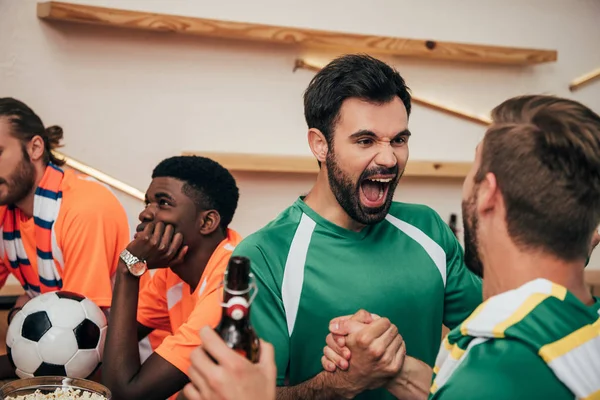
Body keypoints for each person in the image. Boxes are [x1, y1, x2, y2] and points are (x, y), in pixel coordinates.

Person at [229, 53, 483, 399]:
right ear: (320, 145)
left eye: (398, 140)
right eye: (365, 141)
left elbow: (493, 335)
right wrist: (342, 383)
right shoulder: (265, 255)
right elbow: (249, 396)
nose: (389, 158)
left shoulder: (427, 228)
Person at [323, 94, 600, 400]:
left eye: (475, 168)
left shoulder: (491, 378)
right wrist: (391, 367)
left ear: (488, 195)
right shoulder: (582, 326)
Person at [0, 97, 130, 377]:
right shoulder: (3, 210)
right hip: (50, 355)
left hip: (125, 364)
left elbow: (76, 332)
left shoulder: (85, 207)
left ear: (35, 147)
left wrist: (20, 311)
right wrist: (19, 311)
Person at [102, 155, 242, 400]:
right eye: (148, 203)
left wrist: (129, 270)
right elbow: (111, 347)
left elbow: (127, 393)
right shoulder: (172, 270)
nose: (145, 214)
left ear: (207, 222)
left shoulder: (231, 283)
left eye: (163, 203)